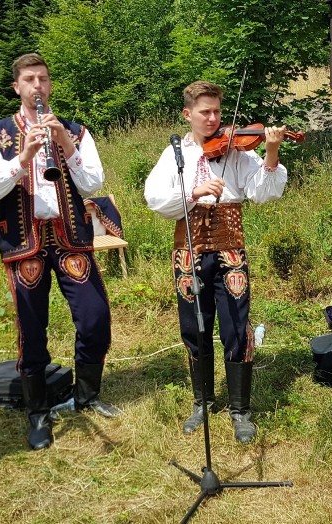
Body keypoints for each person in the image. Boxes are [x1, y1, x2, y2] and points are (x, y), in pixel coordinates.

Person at [0, 53, 118, 452]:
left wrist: (66, 144)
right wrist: (22, 158)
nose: (38, 86)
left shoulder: (74, 130)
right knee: (31, 327)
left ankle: (86, 395)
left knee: (94, 318)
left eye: (43, 79)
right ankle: (38, 412)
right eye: (29, 80)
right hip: (25, 239)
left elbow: (92, 184)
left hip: (69, 234)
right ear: (17, 87)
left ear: (50, 85)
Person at [144, 81, 287, 444]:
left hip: (230, 247)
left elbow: (262, 192)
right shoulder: (175, 153)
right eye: (205, 112)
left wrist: (271, 151)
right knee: (195, 325)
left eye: (217, 111)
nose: (213, 118)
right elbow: (156, 199)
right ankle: (202, 401)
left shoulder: (238, 152)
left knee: (237, 325)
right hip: (188, 249)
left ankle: (240, 409)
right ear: (187, 114)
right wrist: (193, 192)